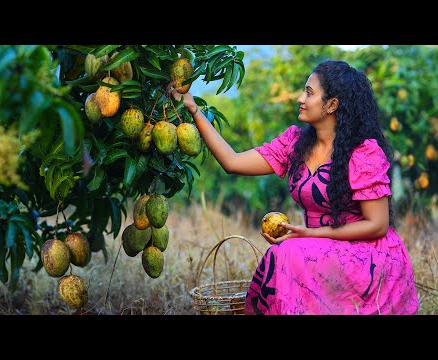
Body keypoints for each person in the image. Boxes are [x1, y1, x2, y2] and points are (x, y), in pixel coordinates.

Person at [168, 59, 419, 315]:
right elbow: (232, 162)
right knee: (286, 252)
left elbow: (377, 225)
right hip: (319, 252)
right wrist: (193, 110)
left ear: (332, 105)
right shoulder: (295, 143)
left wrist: (309, 235)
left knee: (285, 252)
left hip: (367, 259)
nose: (300, 98)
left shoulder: (364, 153)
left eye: (309, 92)